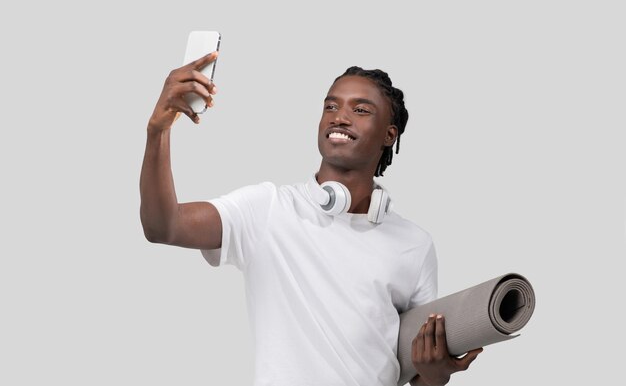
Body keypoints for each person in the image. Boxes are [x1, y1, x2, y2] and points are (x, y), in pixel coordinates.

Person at [140, 52, 482, 386]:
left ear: (389, 135)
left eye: (360, 110)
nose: (339, 117)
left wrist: (436, 378)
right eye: (331, 106)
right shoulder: (267, 209)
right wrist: (158, 131)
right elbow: (164, 226)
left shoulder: (415, 244)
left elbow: (419, 370)